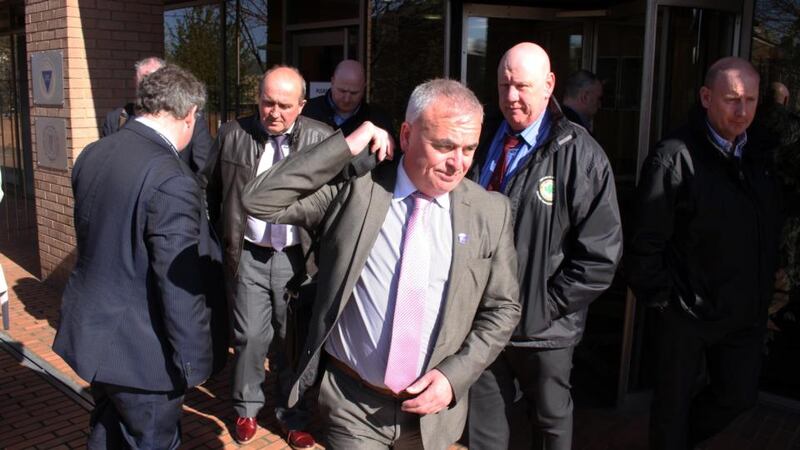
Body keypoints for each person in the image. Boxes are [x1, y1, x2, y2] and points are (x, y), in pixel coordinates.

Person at [241, 78, 521, 450]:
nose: (458, 163)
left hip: (432, 417)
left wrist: (455, 376)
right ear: (406, 135)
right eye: (444, 146)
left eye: (469, 148)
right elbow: (259, 200)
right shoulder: (358, 189)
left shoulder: (490, 211)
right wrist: (346, 146)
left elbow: (503, 308)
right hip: (352, 404)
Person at [53, 65, 223, 449]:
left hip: (92, 333)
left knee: (106, 430)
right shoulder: (172, 177)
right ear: (189, 115)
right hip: (142, 354)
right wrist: (195, 361)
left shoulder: (93, 153)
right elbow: (177, 281)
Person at [467, 42, 622, 450]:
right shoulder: (481, 141)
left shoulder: (580, 155)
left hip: (545, 331)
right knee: (484, 431)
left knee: (550, 426)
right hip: (482, 321)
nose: (511, 96)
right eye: (504, 85)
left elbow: (600, 256)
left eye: (522, 85)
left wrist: (543, 306)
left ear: (549, 84)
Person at [626, 57, 782, 449]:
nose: (742, 110)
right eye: (732, 99)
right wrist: (666, 303)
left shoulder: (760, 154)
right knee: (671, 409)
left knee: (739, 396)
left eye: (750, 99)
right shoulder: (674, 156)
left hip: (742, 311)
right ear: (706, 97)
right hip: (686, 314)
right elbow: (645, 242)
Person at [204, 65, 331, 447]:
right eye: (267, 102)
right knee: (249, 338)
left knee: (291, 341)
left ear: (302, 106)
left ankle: (293, 415)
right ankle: (246, 409)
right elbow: (210, 192)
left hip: (298, 260)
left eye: (284, 105)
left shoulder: (321, 140)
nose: (273, 112)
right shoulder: (232, 135)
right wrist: (223, 238)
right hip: (250, 258)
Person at [101, 56, 214, 184]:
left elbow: (204, 170)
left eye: (156, 78)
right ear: (135, 81)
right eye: (145, 77)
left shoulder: (189, 119)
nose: (149, 83)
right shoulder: (117, 119)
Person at [301, 59, 394, 137]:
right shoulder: (306, 112)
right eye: (342, 91)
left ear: (364, 87)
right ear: (332, 82)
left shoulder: (379, 120)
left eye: (354, 93)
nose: (347, 99)